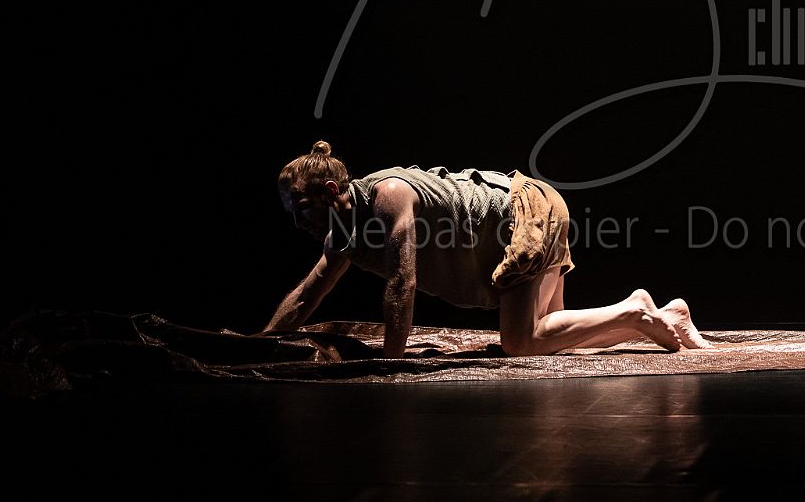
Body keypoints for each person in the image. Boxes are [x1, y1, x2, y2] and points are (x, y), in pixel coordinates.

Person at [262, 141, 712, 357]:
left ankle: (636, 311)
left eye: (303, 208)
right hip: (527, 211)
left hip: (524, 214)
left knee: (519, 342)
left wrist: (390, 362)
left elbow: (402, 281)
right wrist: (258, 347)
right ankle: (663, 315)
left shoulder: (388, 196)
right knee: (552, 341)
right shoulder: (342, 237)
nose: (299, 222)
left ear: (331, 191)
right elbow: (306, 295)